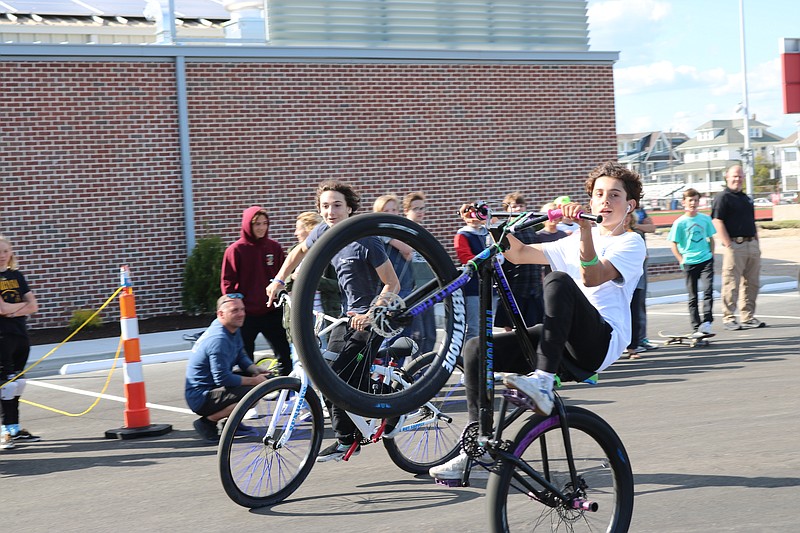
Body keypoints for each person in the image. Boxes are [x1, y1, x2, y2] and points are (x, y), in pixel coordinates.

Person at [430, 161, 646, 481]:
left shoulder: (630, 242)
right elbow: (518, 253)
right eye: (599, 194)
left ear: (630, 205)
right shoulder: (571, 242)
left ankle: (542, 382)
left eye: (614, 195)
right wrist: (487, 223)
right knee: (475, 350)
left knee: (558, 281)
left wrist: (584, 229)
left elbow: (591, 277)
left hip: (598, 342)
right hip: (559, 339)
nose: (605, 201)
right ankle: (476, 445)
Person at [266, 180, 400, 462]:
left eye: (337, 205)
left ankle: (393, 404)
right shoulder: (322, 233)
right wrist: (279, 280)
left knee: (344, 374)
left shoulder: (366, 240)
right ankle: (346, 439)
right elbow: (297, 252)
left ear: (349, 208)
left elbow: (392, 283)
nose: (330, 211)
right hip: (345, 317)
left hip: (373, 317)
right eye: (325, 206)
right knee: (324, 372)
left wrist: (372, 312)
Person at [185, 294, 271, 442]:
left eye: (242, 309)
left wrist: (253, 369)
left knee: (254, 389)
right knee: (253, 394)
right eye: (235, 310)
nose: (241, 314)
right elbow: (222, 377)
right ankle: (207, 423)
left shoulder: (231, 328)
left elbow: (240, 355)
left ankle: (232, 424)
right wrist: (254, 381)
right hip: (201, 396)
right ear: (221, 313)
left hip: (213, 387)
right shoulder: (219, 339)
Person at [221, 206, 292, 375]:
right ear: (247, 225)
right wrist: (237, 307)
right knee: (245, 361)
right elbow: (227, 283)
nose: (261, 227)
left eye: (264, 223)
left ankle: (286, 395)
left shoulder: (273, 248)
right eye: (256, 224)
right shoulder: (235, 250)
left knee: (285, 357)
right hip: (247, 316)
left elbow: (283, 276)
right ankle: (249, 398)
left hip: (271, 311)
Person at [711, 165, 766, 330]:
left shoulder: (746, 198)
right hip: (735, 246)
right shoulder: (723, 197)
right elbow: (717, 220)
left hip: (752, 245)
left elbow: (752, 221)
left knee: (752, 284)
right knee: (731, 284)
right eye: (735, 176)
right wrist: (728, 244)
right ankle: (729, 318)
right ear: (727, 176)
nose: (738, 179)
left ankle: (748, 317)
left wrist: (756, 242)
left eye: (740, 176)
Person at [0, 236, 40, 449]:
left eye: (5, 251)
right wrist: (18, 308)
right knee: (6, 385)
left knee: (19, 383)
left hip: (20, 335)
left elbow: (34, 306)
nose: (2, 255)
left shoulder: (16, 275)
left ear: (11, 253)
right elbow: (1, 310)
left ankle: (14, 428)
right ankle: (5, 431)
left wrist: (12, 310)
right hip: (2, 337)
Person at [284, 211, 341, 350]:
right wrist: (292, 277)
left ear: (311, 230)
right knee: (299, 360)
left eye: (299, 228)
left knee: (322, 357)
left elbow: (340, 285)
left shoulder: (329, 254)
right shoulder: (293, 252)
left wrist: (312, 279)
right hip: (299, 315)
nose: (295, 233)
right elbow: (284, 283)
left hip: (322, 316)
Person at [668, 188, 716, 337]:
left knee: (708, 291)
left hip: (705, 260)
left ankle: (707, 322)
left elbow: (711, 239)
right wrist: (681, 260)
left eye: (696, 200)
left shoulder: (705, 219)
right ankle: (696, 327)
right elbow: (673, 244)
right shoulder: (679, 223)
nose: (693, 203)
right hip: (689, 261)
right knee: (693, 296)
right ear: (684, 203)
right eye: (690, 200)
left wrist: (711, 254)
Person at [494, 192, 542, 331]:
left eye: (521, 206)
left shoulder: (530, 228)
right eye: (514, 206)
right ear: (506, 210)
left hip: (533, 283)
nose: (518, 209)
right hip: (514, 283)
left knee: (533, 325)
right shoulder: (505, 230)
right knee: (511, 324)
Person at [403, 191, 438, 355]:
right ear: (406, 210)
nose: (420, 211)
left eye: (422, 208)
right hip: (412, 290)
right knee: (418, 335)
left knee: (430, 335)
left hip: (427, 289)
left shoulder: (423, 232)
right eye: (415, 208)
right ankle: (414, 373)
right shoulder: (403, 232)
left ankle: (425, 370)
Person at [624, 203, 659, 358]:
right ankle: (627, 343)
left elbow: (652, 228)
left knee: (639, 305)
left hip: (639, 269)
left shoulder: (640, 211)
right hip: (624, 272)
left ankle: (639, 339)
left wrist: (635, 225)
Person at [454, 201, 490, 341]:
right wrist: (487, 261)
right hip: (473, 287)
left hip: (489, 285)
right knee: (474, 327)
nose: (474, 218)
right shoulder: (463, 235)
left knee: (487, 326)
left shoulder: (487, 233)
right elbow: (465, 258)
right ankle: (471, 357)